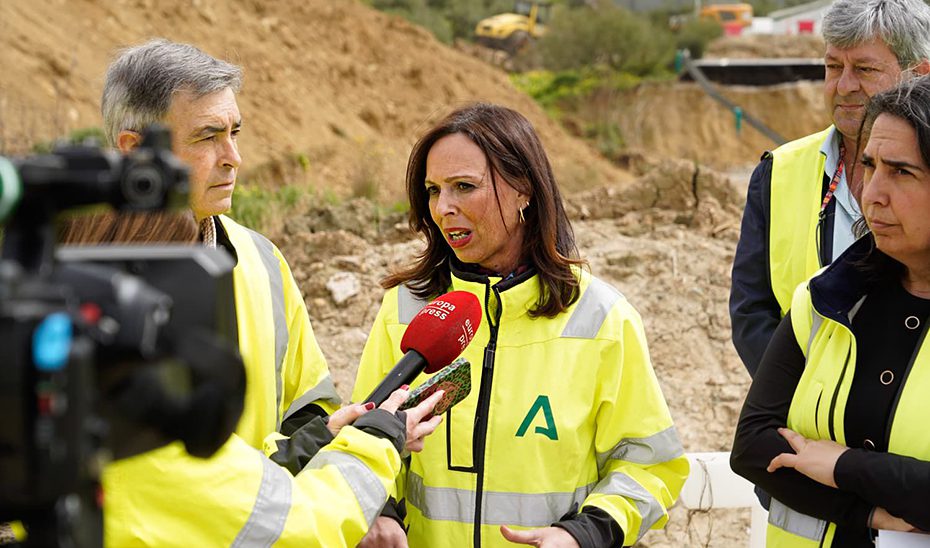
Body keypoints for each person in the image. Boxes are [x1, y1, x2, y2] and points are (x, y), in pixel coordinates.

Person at [82, 38, 443, 545]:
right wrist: (369, 457)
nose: (233, 157)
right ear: (134, 149)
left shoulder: (263, 261)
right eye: (208, 137)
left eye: (234, 132)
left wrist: (335, 458)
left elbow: (309, 407)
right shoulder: (84, 292)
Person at [351, 103, 688, 548]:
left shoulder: (602, 317)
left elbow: (651, 465)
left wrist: (581, 535)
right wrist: (380, 512)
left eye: (464, 186)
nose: (443, 208)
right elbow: (365, 437)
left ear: (523, 190)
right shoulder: (405, 308)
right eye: (433, 190)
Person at [731, 76, 930, 547]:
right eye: (870, 166)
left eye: (901, 172)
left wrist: (842, 465)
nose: (872, 193)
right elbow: (754, 447)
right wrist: (868, 511)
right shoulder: (826, 298)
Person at [729, 0, 930, 378]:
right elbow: (751, 311)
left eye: (865, 69)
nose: (844, 86)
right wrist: (800, 393)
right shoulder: (777, 172)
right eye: (834, 67)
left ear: (919, 74)